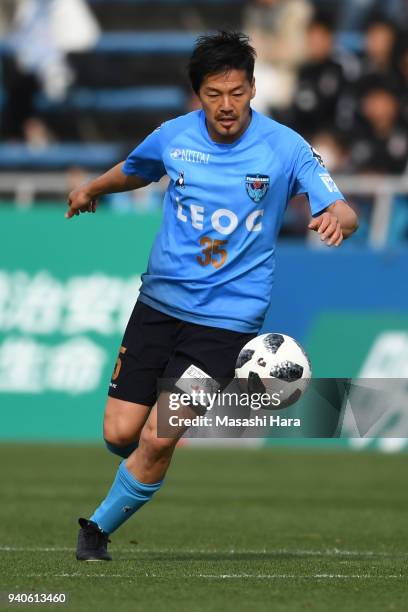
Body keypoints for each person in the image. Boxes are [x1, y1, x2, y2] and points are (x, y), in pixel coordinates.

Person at [66, 31, 358, 561]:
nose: (227, 106)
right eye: (214, 95)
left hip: (226, 323)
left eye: (238, 92)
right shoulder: (173, 137)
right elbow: (135, 170)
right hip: (157, 307)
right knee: (120, 433)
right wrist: (91, 188)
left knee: (157, 437)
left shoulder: (284, 147)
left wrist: (338, 218)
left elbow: (342, 207)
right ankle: (143, 465)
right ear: (196, 95)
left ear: (252, 88)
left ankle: (97, 532)